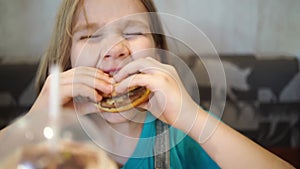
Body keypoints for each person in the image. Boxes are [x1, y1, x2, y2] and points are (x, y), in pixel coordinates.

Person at [1, 0, 295, 168]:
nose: (114, 48)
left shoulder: (180, 134)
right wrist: (32, 125)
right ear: (67, 59)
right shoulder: (48, 137)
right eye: (89, 36)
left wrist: (191, 118)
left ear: (158, 50)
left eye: (132, 32)